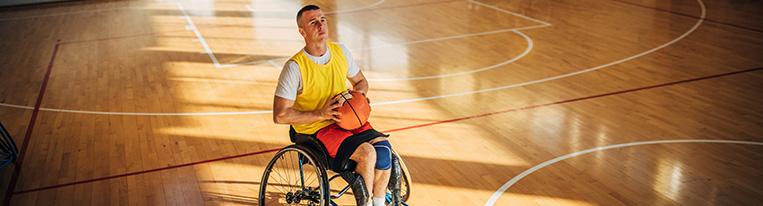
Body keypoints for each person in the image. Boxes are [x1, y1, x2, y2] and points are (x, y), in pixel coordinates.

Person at [272, 5, 393, 206]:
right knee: (367, 153)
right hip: (317, 129)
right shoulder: (294, 68)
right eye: (313, 22)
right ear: (302, 32)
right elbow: (280, 115)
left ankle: (378, 203)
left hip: (347, 120)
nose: (321, 25)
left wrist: (358, 98)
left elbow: (361, 82)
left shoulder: (340, 52)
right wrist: (321, 113)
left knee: (383, 150)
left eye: (323, 19)